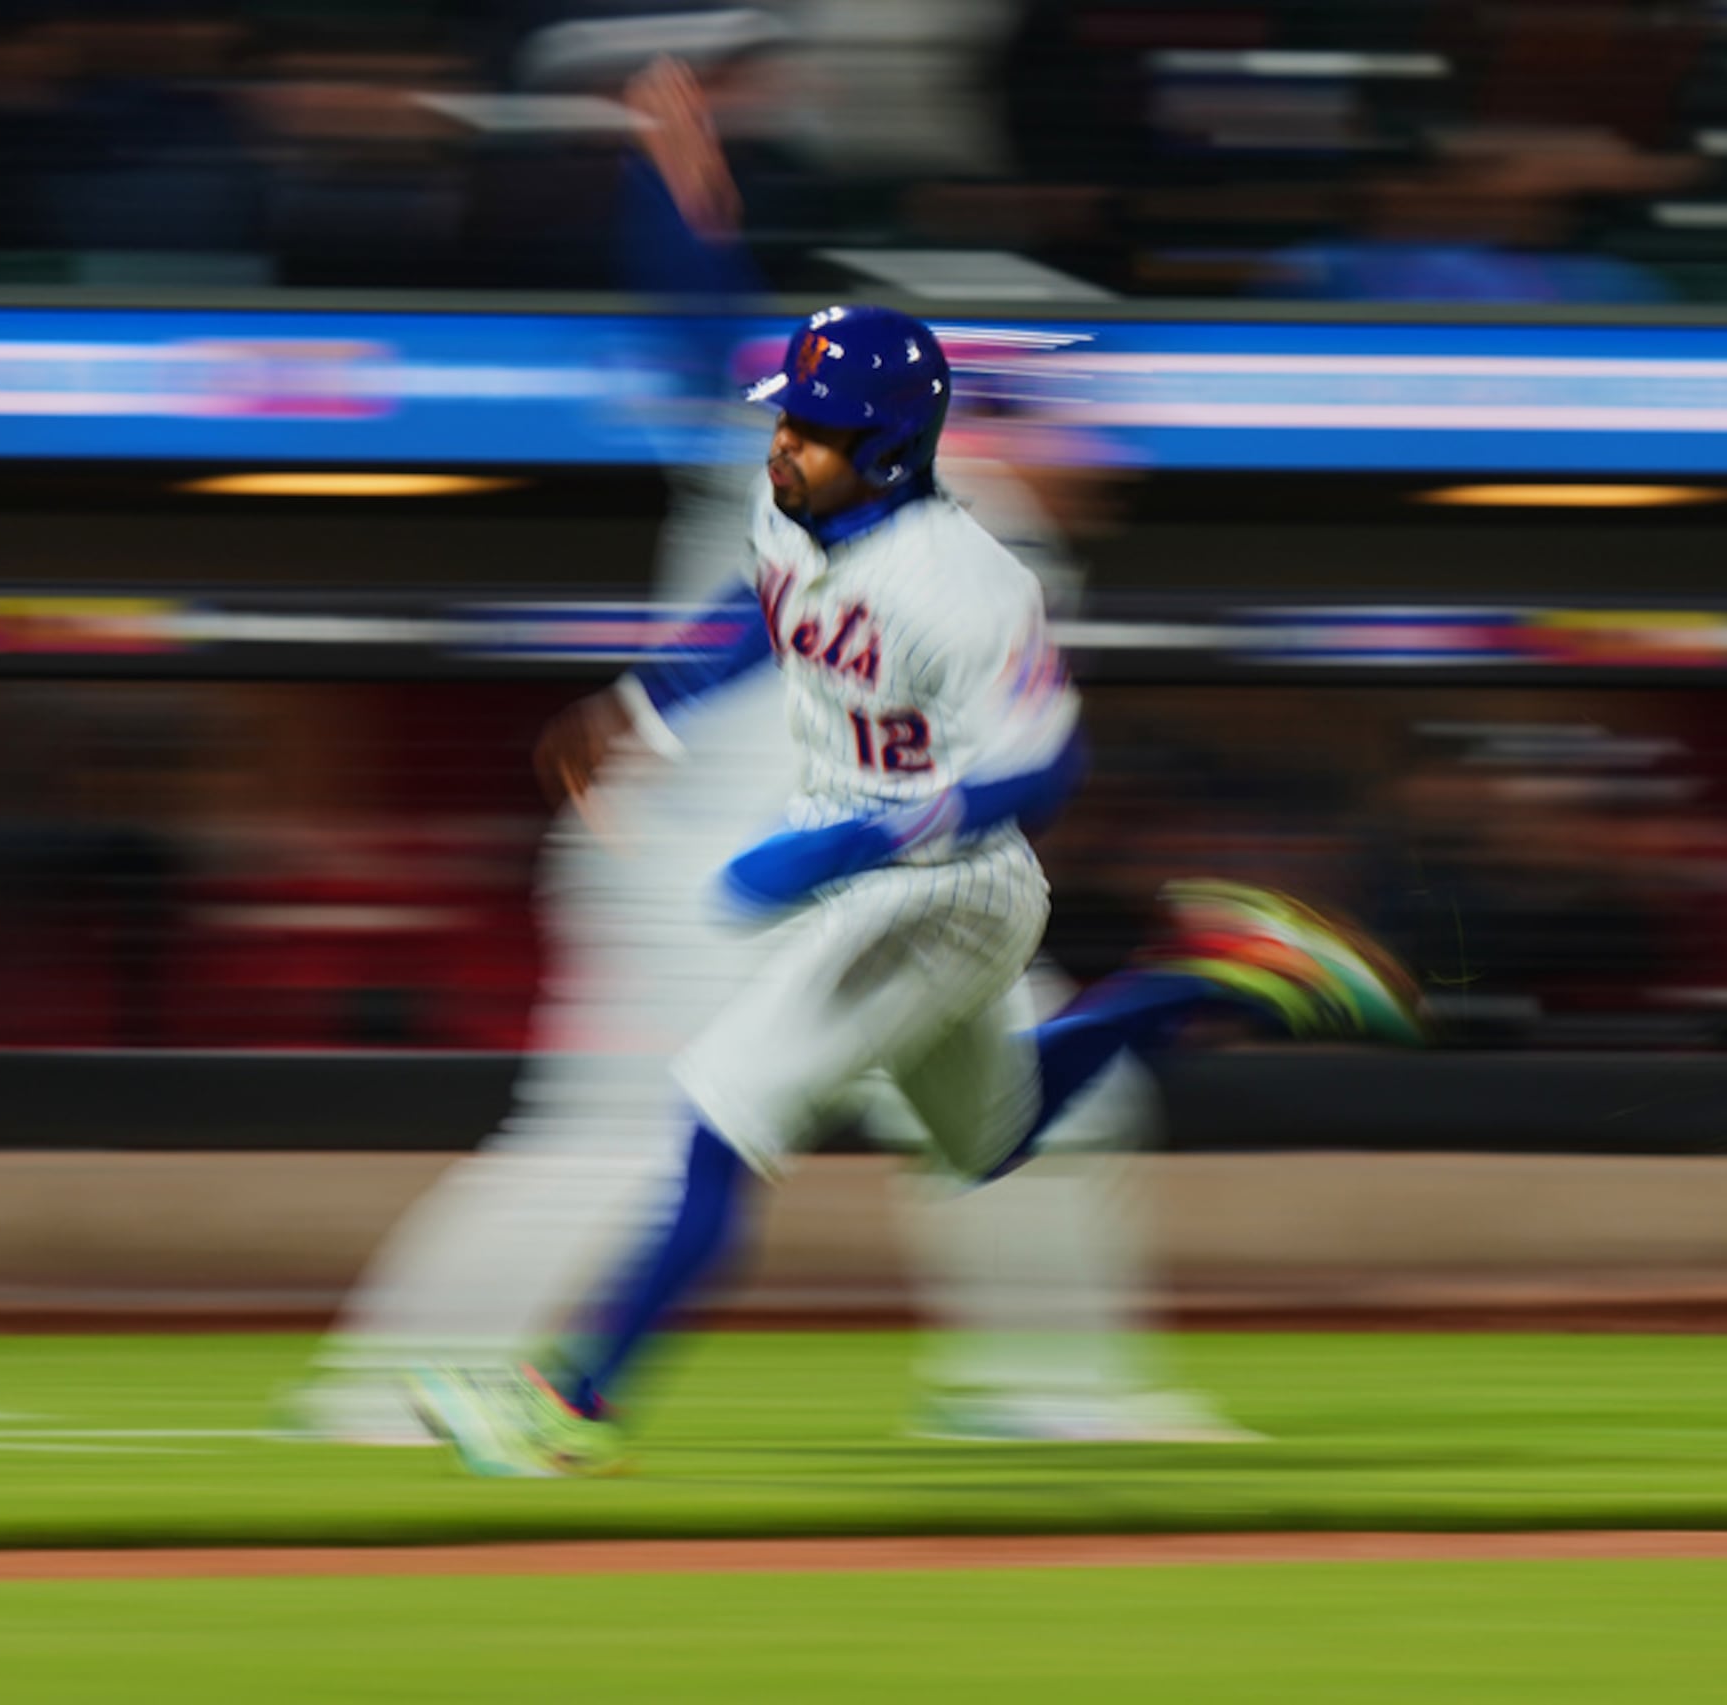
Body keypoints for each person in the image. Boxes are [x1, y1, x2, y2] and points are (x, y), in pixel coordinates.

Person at [406, 305, 1418, 1476]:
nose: (785, 443)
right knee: (991, 1138)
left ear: (887, 447)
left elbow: (1046, 767)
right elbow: (764, 610)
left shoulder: (967, 584)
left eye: (815, 428)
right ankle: (1218, 969)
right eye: (785, 418)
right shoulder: (791, 510)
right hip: (875, 874)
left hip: (948, 889)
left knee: (720, 1114)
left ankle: (566, 1405)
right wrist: (642, 703)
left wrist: (860, 840)